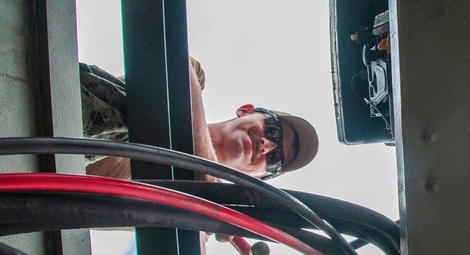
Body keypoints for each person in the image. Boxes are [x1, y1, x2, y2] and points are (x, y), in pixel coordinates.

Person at [80, 58, 319, 181]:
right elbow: (175, 57)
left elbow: (195, 248)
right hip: (62, 103)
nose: (268, 145)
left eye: (276, 159)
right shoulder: (187, 85)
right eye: (274, 131)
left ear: (257, 178)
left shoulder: (191, 205)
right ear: (246, 110)